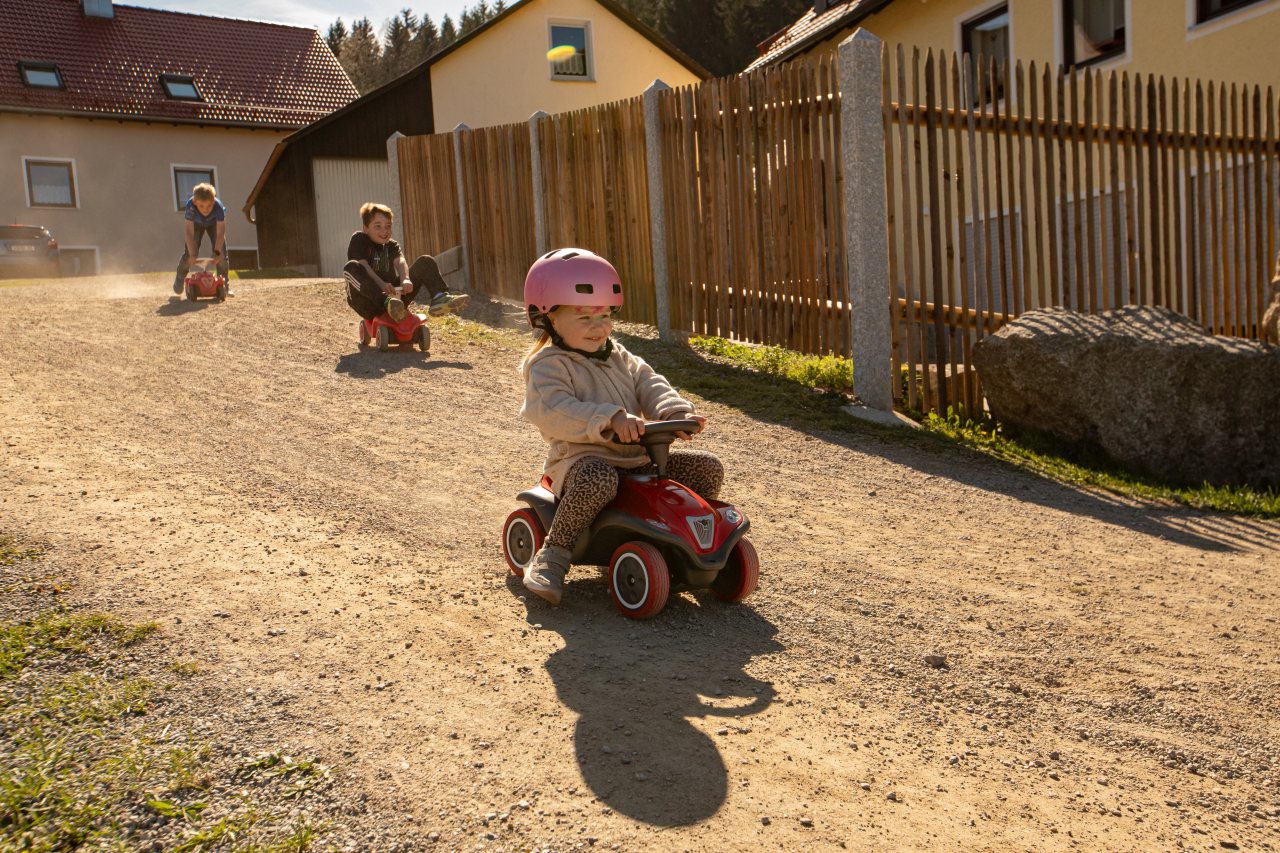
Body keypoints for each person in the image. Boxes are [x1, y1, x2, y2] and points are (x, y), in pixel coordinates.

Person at [519, 248, 724, 605]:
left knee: (707, 468)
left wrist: (672, 410)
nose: (598, 326)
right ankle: (554, 553)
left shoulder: (617, 354)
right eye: (584, 317)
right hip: (582, 463)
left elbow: (650, 382)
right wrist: (609, 418)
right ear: (547, 317)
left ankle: (689, 547)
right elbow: (554, 409)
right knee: (599, 478)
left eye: (604, 315)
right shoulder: (548, 365)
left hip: (638, 462)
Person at [343, 202, 469, 323]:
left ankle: (439, 297)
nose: (384, 231)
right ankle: (386, 301)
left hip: (395, 299)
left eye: (388, 226)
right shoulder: (360, 239)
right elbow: (363, 265)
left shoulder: (391, 245)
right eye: (378, 226)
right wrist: (382, 285)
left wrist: (405, 279)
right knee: (351, 266)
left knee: (425, 261)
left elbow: (400, 261)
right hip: (367, 301)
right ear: (365, 228)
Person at [173, 183, 231, 295]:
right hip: (196, 224)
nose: (205, 210)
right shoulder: (190, 206)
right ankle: (180, 279)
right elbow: (189, 233)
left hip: (213, 224)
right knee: (189, 255)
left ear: (213, 201)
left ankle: (224, 285)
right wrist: (192, 254)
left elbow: (220, 233)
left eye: (209, 206)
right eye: (201, 206)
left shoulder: (218, 207)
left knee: (222, 255)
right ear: (195, 202)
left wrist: (217, 252)